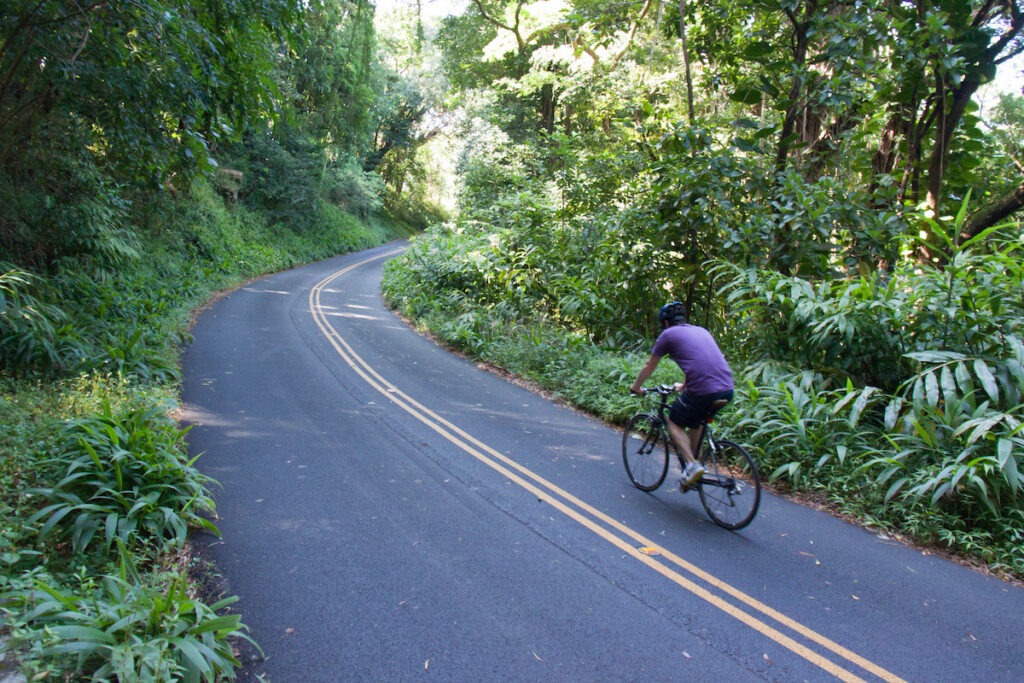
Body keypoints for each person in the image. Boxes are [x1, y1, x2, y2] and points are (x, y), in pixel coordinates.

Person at [629, 301, 734, 487]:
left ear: (665, 322)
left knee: (673, 422)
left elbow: (649, 366)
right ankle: (697, 466)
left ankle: (692, 465)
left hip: (703, 390)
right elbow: (700, 361)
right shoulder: (701, 331)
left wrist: (636, 387)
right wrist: (684, 385)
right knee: (696, 422)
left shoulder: (668, 334)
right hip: (727, 387)